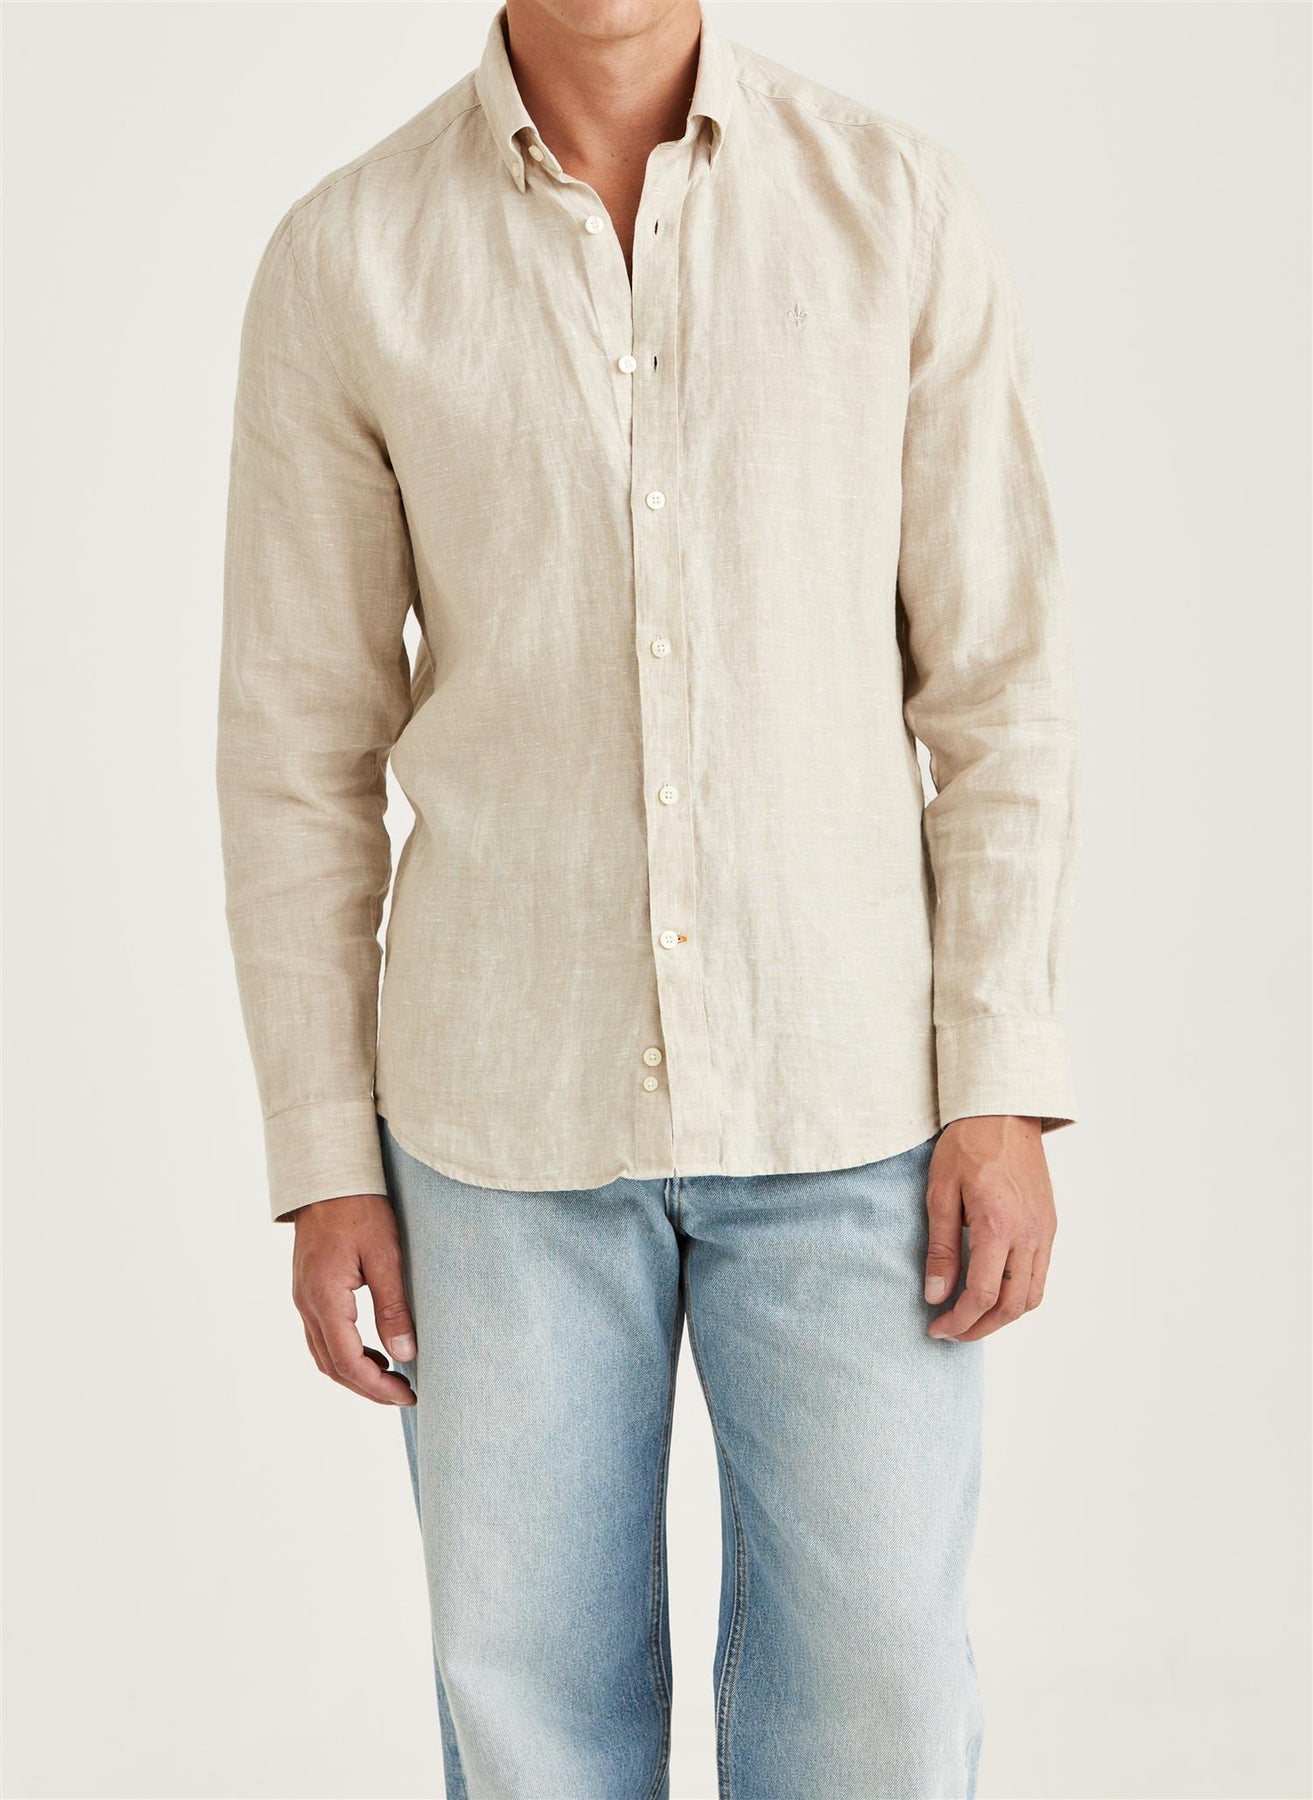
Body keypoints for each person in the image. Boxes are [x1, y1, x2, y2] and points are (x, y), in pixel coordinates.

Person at [216, 1, 1081, 1793]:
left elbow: (998, 686)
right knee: (531, 1723)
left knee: (882, 1707)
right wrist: (321, 1155)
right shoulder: (347, 257)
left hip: (851, 1103)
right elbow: (298, 749)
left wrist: (997, 1080)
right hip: (491, 1125)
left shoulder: (893, 208)